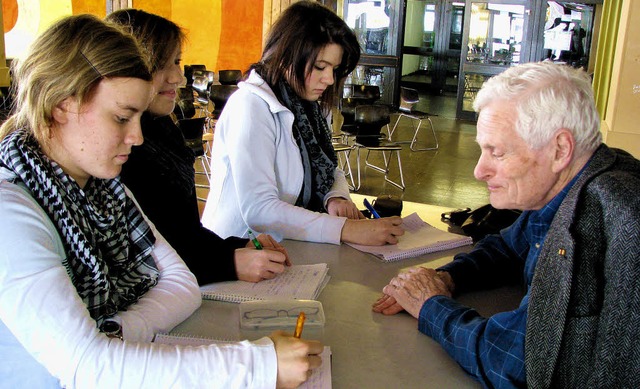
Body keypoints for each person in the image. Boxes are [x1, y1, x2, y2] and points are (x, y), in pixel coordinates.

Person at [0, 14, 322, 388]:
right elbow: (87, 365)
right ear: (61, 106)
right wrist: (256, 367)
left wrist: (109, 337)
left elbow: (183, 286)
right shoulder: (11, 211)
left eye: (137, 117)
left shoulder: (106, 188)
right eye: (122, 118)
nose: (136, 137)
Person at [373, 61, 640, 388]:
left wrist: (430, 306)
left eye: (496, 153)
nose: (479, 171)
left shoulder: (597, 218)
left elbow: (518, 363)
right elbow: (508, 245)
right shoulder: (573, 182)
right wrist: (447, 277)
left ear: (560, 149)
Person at [107, 9, 290, 285]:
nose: (177, 77)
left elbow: (185, 233)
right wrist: (229, 262)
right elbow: (144, 260)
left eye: (178, 62)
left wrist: (235, 248)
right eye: (162, 65)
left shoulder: (163, 129)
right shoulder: (114, 152)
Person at [200, 1, 404, 245]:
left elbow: (326, 168)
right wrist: (344, 229)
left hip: (287, 246)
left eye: (334, 69)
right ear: (287, 54)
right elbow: (259, 209)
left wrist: (335, 197)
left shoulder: (307, 106)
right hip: (238, 250)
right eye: (320, 67)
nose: (329, 79)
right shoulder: (250, 106)